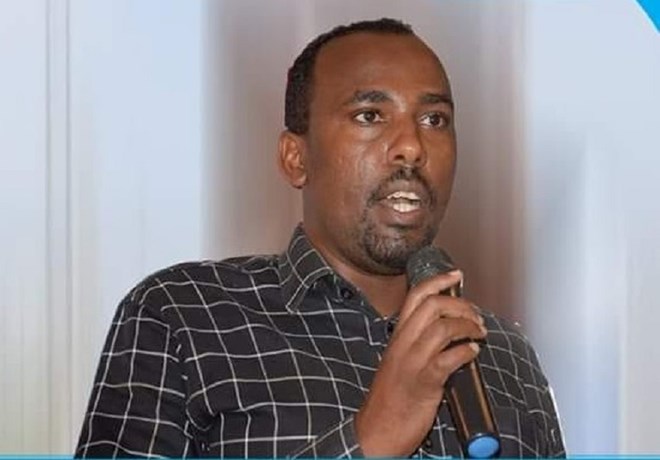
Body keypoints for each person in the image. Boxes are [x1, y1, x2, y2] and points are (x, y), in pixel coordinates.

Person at [76, 18, 565, 458]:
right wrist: (370, 441)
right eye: (370, 115)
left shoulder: (506, 354)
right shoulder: (182, 315)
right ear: (296, 159)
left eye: (434, 119)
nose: (412, 147)